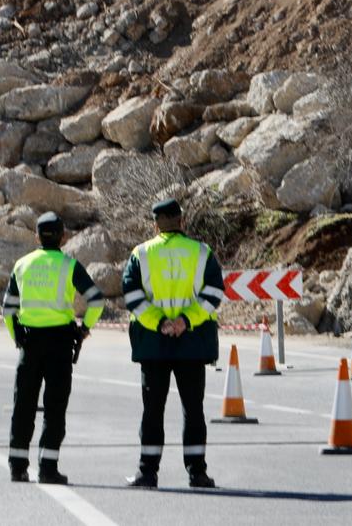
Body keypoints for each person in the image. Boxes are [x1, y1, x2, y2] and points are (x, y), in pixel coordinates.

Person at [124, 199, 223, 489]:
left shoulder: (141, 254)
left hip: (153, 344)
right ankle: (197, 473)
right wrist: (185, 321)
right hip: (192, 343)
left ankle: (147, 472)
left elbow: (131, 295)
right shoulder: (201, 252)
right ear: (182, 221)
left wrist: (160, 322)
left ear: (155, 225)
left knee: (152, 410)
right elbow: (214, 292)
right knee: (193, 409)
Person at [3, 211, 105, 483]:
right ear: (63, 236)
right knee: (55, 407)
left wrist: (17, 336)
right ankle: (48, 468)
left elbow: (7, 309)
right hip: (60, 343)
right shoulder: (69, 265)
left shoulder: (22, 265)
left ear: (36, 236)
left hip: (30, 342)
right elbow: (96, 300)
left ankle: (17, 466)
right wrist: (84, 330)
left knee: (23, 405)